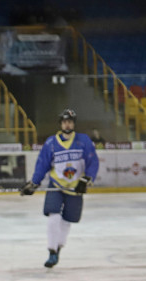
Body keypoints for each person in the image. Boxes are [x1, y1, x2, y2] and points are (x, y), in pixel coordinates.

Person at [20, 108, 99, 268]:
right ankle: (52, 251)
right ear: (61, 124)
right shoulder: (51, 143)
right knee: (53, 216)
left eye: (69, 121)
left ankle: (58, 248)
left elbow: (93, 161)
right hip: (56, 185)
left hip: (75, 187)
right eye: (64, 121)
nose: (67, 124)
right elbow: (42, 165)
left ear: (73, 123)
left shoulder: (83, 141)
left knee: (67, 220)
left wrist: (86, 179)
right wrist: (34, 183)